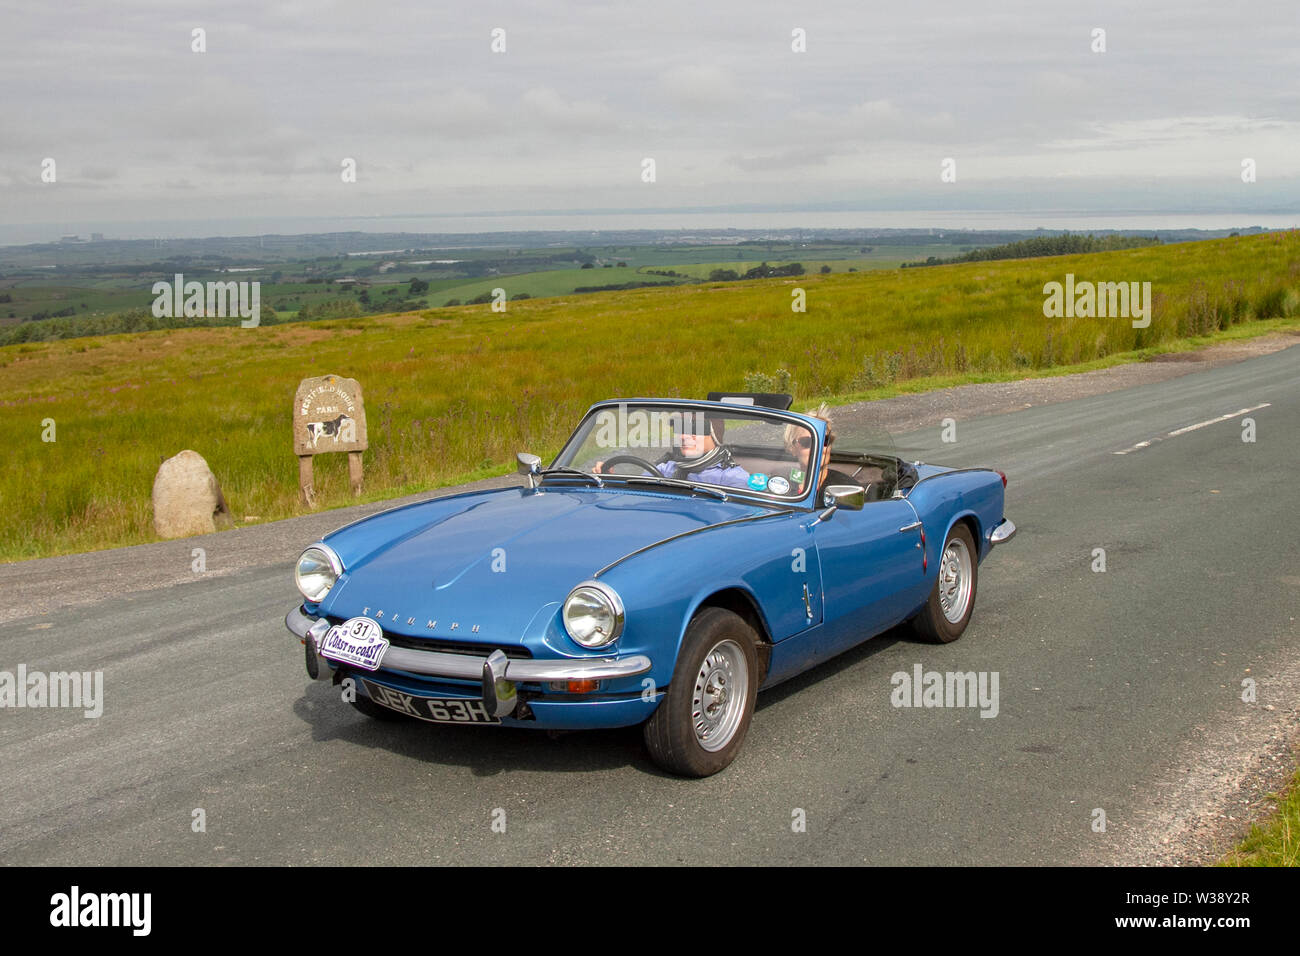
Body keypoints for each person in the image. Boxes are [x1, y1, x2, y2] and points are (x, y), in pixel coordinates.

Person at [596, 414, 751, 489]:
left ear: (714, 437)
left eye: (693, 430)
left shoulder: (732, 477)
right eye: (680, 430)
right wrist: (609, 479)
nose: (683, 437)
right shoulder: (668, 467)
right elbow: (637, 490)